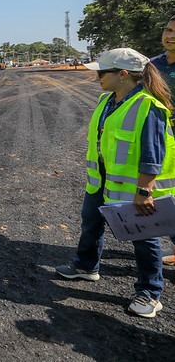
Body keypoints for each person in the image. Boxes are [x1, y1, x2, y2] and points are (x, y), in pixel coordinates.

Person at [55, 48, 175, 319]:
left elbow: (153, 153)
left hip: (134, 188)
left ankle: (150, 292)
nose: (97, 77)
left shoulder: (149, 106)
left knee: (144, 239)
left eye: (102, 72)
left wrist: (144, 191)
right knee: (91, 223)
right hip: (101, 183)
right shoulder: (106, 100)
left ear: (123, 74)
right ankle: (87, 267)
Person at [150, 15, 175, 267]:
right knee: (166, 196)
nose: (170, 35)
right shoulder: (153, 65)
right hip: (160, 139)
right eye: (168, 29)